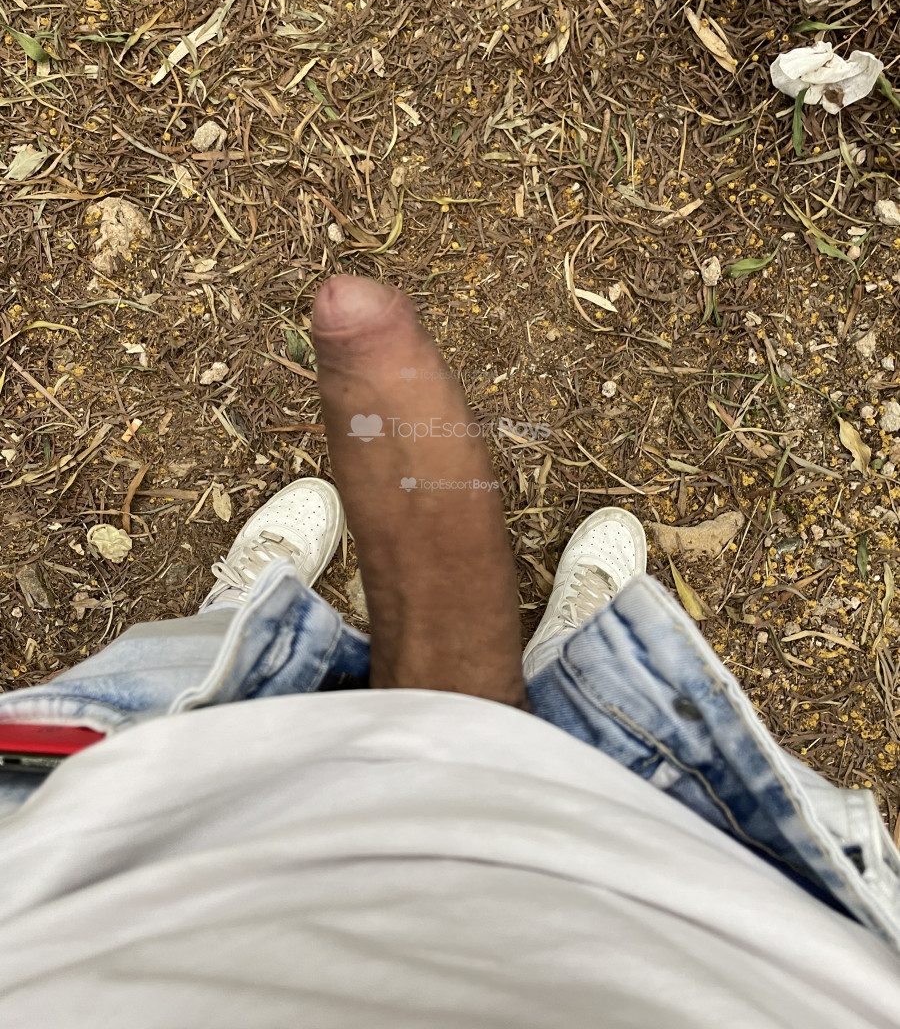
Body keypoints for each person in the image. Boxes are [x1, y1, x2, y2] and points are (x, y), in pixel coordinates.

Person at [0, 275, 899, 1027]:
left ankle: (240, 638)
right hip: (736, 949)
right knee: (643, 802)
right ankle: (567, 686)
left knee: (187, 692)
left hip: (79, 855)